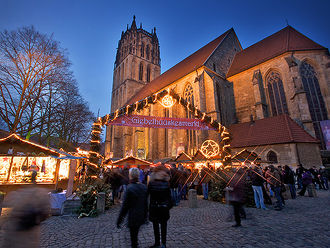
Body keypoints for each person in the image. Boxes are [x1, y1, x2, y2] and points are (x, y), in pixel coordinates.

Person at [117, 167, 148, 248]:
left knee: (133, 237)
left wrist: (120, 219)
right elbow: (146, 203)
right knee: (135, 235)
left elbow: (125, 206)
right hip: (141, 215)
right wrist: (146, 215)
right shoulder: (144, 187)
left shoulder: (129, 188)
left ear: (130, 176)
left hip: (133, 216)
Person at [148, 165, 172, 248]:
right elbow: (169, 197)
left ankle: (157, 243)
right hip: (164, 208)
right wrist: (168, 206)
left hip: (154, 207)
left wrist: (149, 207)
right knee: (163, 226)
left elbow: (149, 195)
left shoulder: (151, 182)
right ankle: (163, 244)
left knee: (156, 226)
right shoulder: (166, 183)